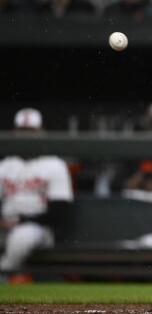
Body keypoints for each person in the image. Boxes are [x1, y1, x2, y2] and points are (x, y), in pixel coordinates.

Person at [0, 108, 74, 284]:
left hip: (38, 228)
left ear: (41, 133)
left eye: (31, 132)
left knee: (21, 237)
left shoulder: (54, 164)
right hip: (4, 224)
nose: (26, 136)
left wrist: (21, 221)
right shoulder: (5, 165)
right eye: (22, 131)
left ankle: (3, 276)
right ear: (14, 133)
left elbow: (59, 212)